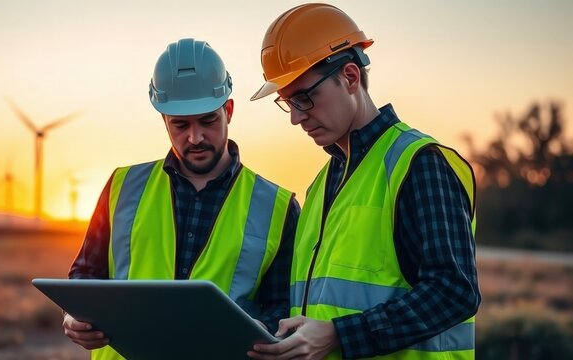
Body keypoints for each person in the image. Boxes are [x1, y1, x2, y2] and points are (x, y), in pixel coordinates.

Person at [247, 4, 480, 360]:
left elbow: (454, 291)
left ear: (351, 77)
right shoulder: (323, 183)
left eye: (305, 98)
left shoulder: (420, 163)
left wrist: (340, 336)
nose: (296, 117)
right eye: (287, 103)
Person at [62, 38, 300, 360]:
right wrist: (75, 317)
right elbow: (85, 277)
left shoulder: (278, 206)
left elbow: (284, 306)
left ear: (228, 110)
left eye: (208, 120)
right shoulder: (122, 186)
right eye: (180, 124)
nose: (195, 137)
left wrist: (261, 330)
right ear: (163, 118)